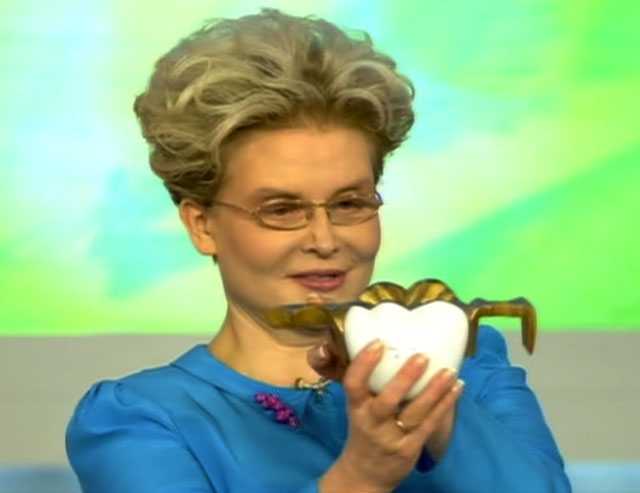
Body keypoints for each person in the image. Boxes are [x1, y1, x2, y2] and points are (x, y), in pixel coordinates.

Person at [66, 8, 572, 492]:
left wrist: (425, 400)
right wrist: (358, 479)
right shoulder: (141, 419)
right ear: (202, 226)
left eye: (350, 203)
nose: (325, 240)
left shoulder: (468, 364)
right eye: (281, 209)